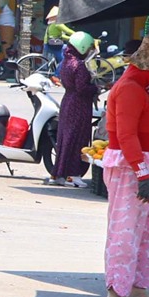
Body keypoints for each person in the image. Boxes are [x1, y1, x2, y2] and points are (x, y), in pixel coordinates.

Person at [100, 35, 149, 297]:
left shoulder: (147, 92)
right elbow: (126, 136)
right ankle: (115, 294)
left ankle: (138, 290)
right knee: (125, 231)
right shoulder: (129, 88)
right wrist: (142, 175)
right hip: (133, 171)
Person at [51, 31, 99, 187]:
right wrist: (96, 88)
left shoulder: (66, 62)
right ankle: (73, 175)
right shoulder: (79, 65)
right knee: (78, 138)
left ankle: (59, 174)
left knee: (66, 139)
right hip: (79, 104)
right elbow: (82, 88)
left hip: (68, 102)